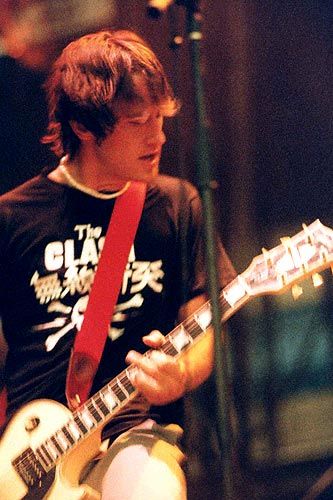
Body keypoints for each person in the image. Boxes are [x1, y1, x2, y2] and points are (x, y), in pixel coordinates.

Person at [0, 29, 236, 499]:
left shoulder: (175, 204)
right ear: (85, 127)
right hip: (27, 459)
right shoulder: (12, 218)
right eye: (137, 122)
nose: (158, 136)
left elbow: (202, 324)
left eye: (160, 118)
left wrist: (181, 375)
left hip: (134, 432)